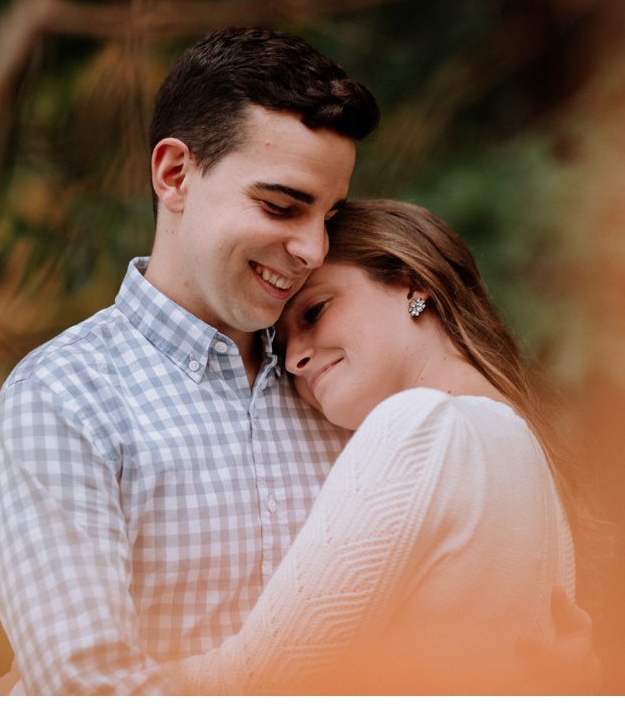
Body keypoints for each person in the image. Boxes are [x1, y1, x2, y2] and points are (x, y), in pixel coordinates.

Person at [0, 27, 381, 694]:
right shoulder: (64, 397)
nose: (311, 247)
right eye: (281, 205)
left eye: (329, 215)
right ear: (174, 174)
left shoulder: (339, 381)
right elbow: (93, 685)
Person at [163, 199, 581, 694]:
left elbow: (254, 682)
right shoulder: (528, 456)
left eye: (315, 311)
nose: (294, 359)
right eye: (280, 345)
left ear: (412, 282)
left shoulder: (421, 427)